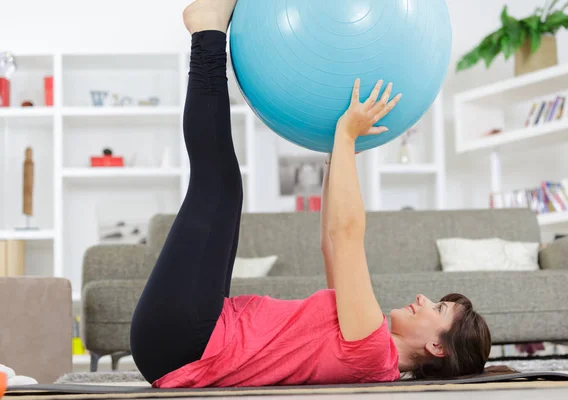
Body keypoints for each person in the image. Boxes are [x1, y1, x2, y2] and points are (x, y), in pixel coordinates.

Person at [130, 0, 492, 388]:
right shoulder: (367, 341)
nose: (422, 298)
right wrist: (337, 154)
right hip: (194, 336)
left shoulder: (372, 351)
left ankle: (206, 34)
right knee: (222, 190)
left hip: (188, 341)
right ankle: (206, 32)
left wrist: (347, 134)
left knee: (219, 188)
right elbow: (332, 246)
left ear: (439, 348)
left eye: (437, 308)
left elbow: (347, 234)